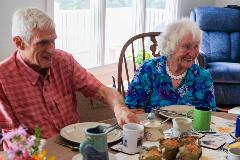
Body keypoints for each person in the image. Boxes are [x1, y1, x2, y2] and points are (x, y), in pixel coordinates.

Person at [0, 7, 138, 140]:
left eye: (53, 41)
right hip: (37, 154)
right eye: (42, 43)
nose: (51, 50)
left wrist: (119, 107)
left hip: (75, 146)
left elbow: (102, 90)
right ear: (19, 43)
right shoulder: (3, 78)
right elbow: (14, 139)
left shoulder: (64, 61)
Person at [125, 18, 216, 113]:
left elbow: (210, 115)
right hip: (153, 127)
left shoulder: (204, 77)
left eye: (196, 46)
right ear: (170, 47)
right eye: (186, 46)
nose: (192, 54)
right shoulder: (148, 70)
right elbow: (133, 109)